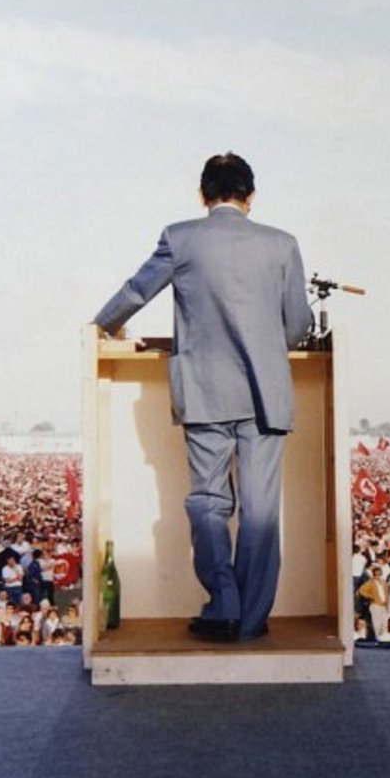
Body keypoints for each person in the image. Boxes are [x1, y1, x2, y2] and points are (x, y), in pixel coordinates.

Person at [93, 152, 311, 643]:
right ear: (250, 197)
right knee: (260, 510)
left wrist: (100, 326)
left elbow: (134, 292)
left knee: (209, 501)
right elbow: (297, 326)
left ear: (202, 195)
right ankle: (252, 621)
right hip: (265, 397)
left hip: (205, 393)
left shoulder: (180, 237)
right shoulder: (283, 245)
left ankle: (224, 605)